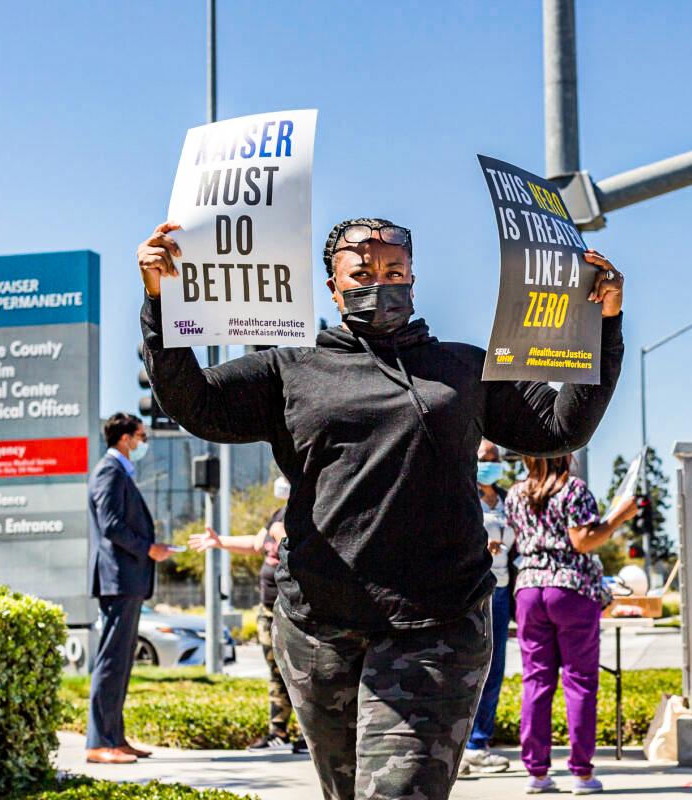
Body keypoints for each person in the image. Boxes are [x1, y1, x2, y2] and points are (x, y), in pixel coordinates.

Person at [136, 217, 625, 799]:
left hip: (438, 625)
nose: (379, 284)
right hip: (318, 628)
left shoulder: (466, 368)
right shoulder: (289, 370)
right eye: (361, 273)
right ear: (333, 287)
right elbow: (197, 405)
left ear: (414, 278)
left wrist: (604, 322)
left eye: (393, 272)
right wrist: (159, 301)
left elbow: (559, 426)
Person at [506, 454, 638, 795]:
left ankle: (537, 773)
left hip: (528, 589)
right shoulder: (574, 490)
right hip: (570, 591)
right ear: (564, 455)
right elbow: (583, 541)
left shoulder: (515, 493)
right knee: (579, 682)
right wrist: (618, 518)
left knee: (536, 682)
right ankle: (581, 773)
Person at [190, 476, 308, 754]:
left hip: (293, 610)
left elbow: (302, 549)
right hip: (268, 609)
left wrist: (281, 534)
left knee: (299, 674)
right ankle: (277, 732)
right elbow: (256, 544)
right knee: (276, 672)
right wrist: (219, 542)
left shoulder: (305, 515)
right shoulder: (278, 515)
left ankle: (308, 736)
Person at [86, 412, 173, 764]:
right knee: (111, 662)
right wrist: (148, 549)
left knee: (121, 663)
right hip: (118, 579)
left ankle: (114, 739)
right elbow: (111, 525)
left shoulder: (120, 472)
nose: (143, 443)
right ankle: (98, 743)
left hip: (128, 580)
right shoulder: (109, 471)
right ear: (124, 439)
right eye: (141, 436)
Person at [460, 440, 515, 776]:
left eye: (494, 459)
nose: (490, 464)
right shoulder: (463, 495)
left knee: (494, 668)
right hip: (473, 588)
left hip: (503, 590)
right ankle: (462, 742)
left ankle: (479, 743)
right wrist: (481, 546)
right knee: (467, 665)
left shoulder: (509, 499)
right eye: (483, 458)